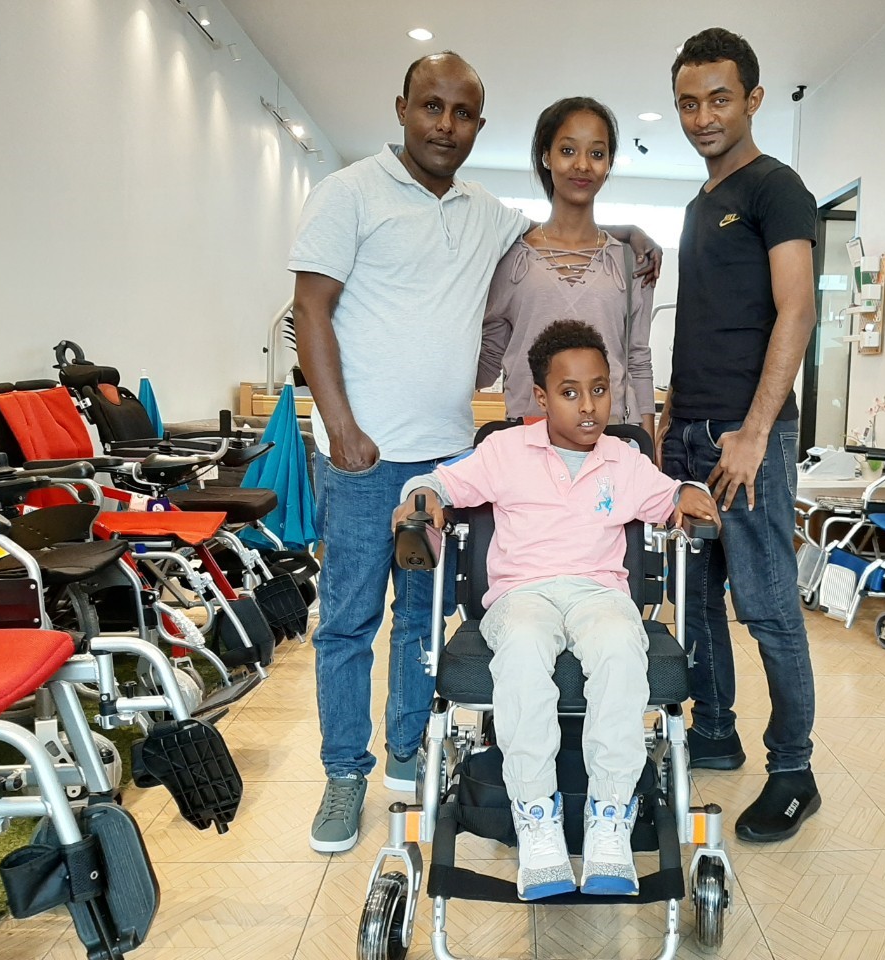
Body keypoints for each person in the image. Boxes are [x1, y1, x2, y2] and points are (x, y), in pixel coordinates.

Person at [289, 51, 661, 854]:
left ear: (479, 127)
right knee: (348, 622)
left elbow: (561, 231)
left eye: (461, 114)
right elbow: (309, 310)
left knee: (420, 622)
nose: (445, 125)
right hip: (361, 457)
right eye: (431, 106)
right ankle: (344, 772)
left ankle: (406, 753)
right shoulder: (348, 192)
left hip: (447, 456)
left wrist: (630, 234)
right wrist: (341, 428)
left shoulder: (487, 214)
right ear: (402, 107)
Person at [393, 320, 719, 900]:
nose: (588, 406)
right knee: (522, 650)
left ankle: (610, 816)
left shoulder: (623, 459)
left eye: (599, 389)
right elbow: (438, 483)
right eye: (570, 393)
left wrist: (691, 494)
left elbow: (670, 495)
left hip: (599, 594)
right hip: (522, 595)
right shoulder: (505, 451)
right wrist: (422, 497)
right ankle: (536, 815)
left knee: (621, 648)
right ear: (542, 399)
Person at [658, 27, 821, 843]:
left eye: (718, 99)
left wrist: (755, 431)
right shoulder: (698, 205)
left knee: (767, 607)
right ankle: (715, 731)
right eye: (688, 103)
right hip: (691, 434)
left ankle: (794, 770)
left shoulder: (776, 188)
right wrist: (671, 419)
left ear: (752, 99)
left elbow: (798, 309)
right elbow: (705, 322)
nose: (702, 117)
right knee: (697, 602)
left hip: (746, 439)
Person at [477, 98, 656, 440]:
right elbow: (488, 359)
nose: (583, 165)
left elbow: (637, 359)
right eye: (568, 150)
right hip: (527, 440)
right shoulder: (511, 258)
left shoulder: (631, 259)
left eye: (597, 153)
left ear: (609, 163)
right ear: (546, 156)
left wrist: (647, 449)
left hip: (611, 439)